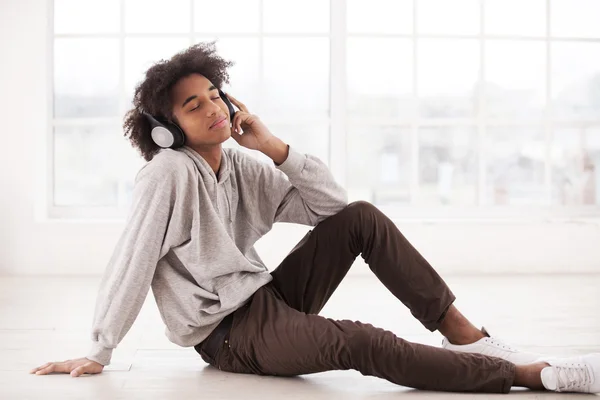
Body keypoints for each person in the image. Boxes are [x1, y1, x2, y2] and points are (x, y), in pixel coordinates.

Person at [30, 42, 599, 394]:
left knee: (362, 217)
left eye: (214, 95)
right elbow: (132, 259)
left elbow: (331, 209)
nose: (212, 109)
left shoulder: (243, 164)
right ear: (167, 129)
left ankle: (468, 339)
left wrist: (274, 147)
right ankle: (533, 375)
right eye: (191, 105)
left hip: (267, 299)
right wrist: (100, 349)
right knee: (361, 341)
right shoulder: (168, 173)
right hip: (231, 336)